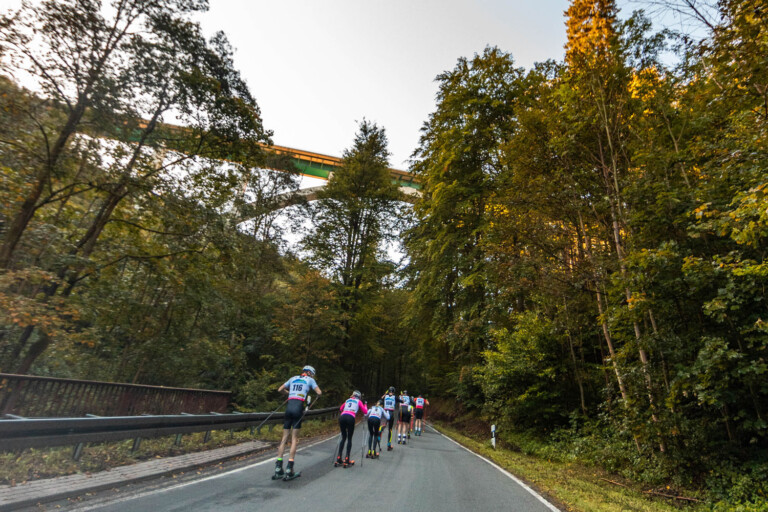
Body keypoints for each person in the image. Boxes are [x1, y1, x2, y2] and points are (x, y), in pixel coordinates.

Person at [273, 365, 322, 480]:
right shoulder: (310, 380)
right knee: (294, 439)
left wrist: (289, 393)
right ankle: (289, 468)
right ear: (310, 373)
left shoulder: (293, 378)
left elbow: (280, 389)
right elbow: (319, 392)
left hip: (289, 408)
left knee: (284, 438)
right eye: (312, 374)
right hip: (298, 408)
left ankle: (278, 468)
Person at [336, 390, 368, 468]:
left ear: (353, 395)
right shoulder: (359, 401)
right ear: (359, 397)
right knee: (349, 438)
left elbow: (341, 408)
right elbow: (365, 412)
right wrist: (365, 405)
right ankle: (347, 459)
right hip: (351, 417)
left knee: (343, 437)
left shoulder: (347, 400)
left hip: (343, 417)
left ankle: (339, 457)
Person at [381, 386, 397, 451]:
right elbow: (402, 401)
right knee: (390, 429)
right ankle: (389, 445)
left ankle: (378, 442)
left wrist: (385, 394)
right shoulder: (395, 397)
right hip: (391, 413)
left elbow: (381, 399)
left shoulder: (385, 396)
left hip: (385, 413)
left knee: (382, 427)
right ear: (393, 392)